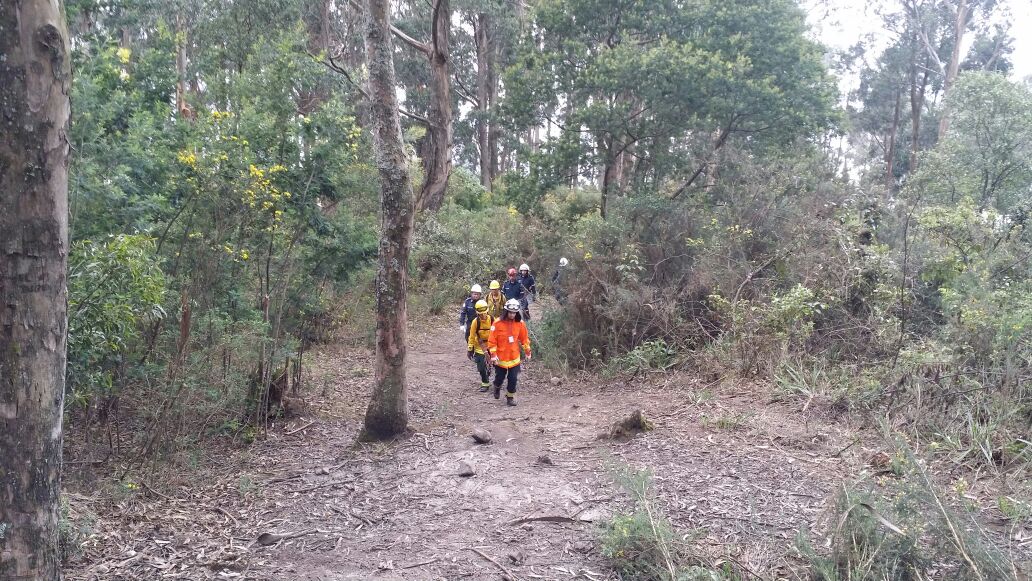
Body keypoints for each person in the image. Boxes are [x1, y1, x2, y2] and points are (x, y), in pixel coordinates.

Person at [488, 298, 531, 406]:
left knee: (513, 379)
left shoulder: (520, 324)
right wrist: (493, 355)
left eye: (514, 313)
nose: (512, 315)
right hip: (500, 358)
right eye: (510, 312)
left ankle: (510, 397)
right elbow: (492, 341)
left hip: (514, 357)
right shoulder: (497, 324)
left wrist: (527, 351)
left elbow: (524, 339)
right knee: (500, 377)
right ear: (506, 311)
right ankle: (497, 386)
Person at [466, 299, 495, 392]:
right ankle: (485, 383)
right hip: (479, 346)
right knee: (481, 367)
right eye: (480, 314)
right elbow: (471, 336)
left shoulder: (492, 320)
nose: (483, 316)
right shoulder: (475, 322)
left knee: (497, 365)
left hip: (492, 346)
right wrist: (470, 349)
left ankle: (493, 376)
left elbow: (498, 333)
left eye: (484, 313)